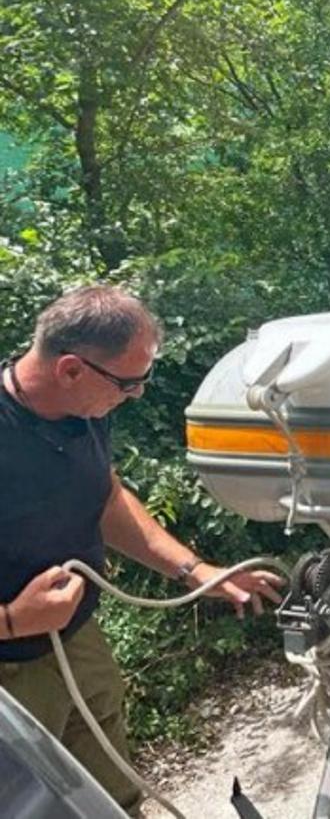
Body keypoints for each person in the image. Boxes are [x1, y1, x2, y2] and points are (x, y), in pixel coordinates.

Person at [0, 285, 285, 814]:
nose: (136, 395)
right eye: (128, 383)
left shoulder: (83, 409)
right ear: (70, 369)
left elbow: (105, 498)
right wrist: (14, 620)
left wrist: (195, 571)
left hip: (73, 638)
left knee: (111, 793)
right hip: (9, 677)